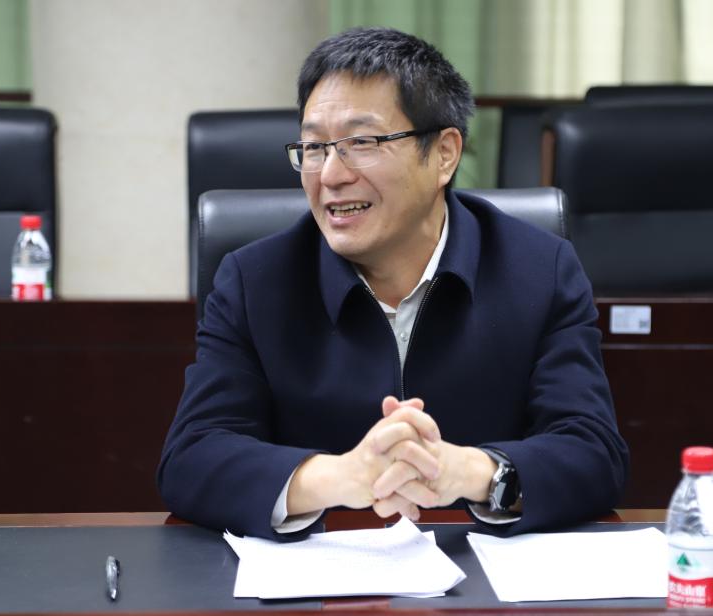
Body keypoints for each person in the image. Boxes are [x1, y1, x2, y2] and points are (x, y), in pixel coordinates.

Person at [158, 27, 628, 540]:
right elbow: (192, 456)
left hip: (480, 575)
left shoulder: (539, 270)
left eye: (361, 142)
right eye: (314, 147)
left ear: (444, 154)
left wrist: (468, 472)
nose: (330, 175)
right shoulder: (255, 282)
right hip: (322, 576)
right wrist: (341, 477)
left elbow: (593, 451)